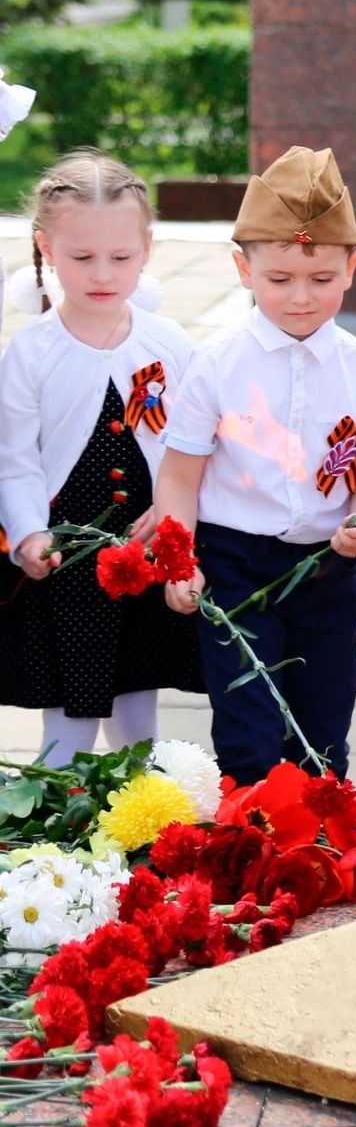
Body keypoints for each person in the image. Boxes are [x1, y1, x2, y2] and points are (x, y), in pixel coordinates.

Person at [158, 146, 356, 781]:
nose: (301, 298)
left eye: (321, 280)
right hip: (234, 564)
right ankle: (250, 849)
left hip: (326, 568)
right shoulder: (216, 364)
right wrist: (179, 559)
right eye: (280, 280)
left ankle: (322, 848)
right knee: (249, 724)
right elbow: (181, 476)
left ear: (352, 267)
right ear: (243, 268)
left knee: (323, 726)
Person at [0, 152, 202, 762]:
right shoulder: (31, 353)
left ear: (147, 247)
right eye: (82, 258)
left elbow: (191, 447)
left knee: (139, 686)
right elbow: (16, 460)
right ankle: (52, 810)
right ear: (46, 247)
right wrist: (29, 533)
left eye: (121, 257)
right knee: (72, 692)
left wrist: (173, 520)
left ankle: (137, 799)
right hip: (69, 551)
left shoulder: (168, 344)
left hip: (142, 542)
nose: (102, 274)